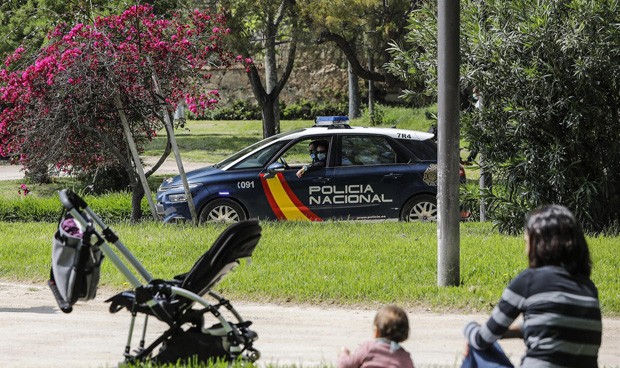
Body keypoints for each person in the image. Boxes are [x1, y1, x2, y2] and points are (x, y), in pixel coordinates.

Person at [462, 204, 602, 368]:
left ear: (538, 245)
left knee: (476, 347)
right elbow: (552, 327)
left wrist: (469, 328)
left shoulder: (528, 281)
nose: (526, 250)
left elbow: (482, 339)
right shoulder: (588, 288)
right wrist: (507, 333)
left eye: (526, 242)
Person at [337, 305, 415, 368]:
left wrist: (344, 353)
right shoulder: (405, 357)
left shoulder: (368, 348)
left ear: (377, 331)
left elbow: (345, 365)